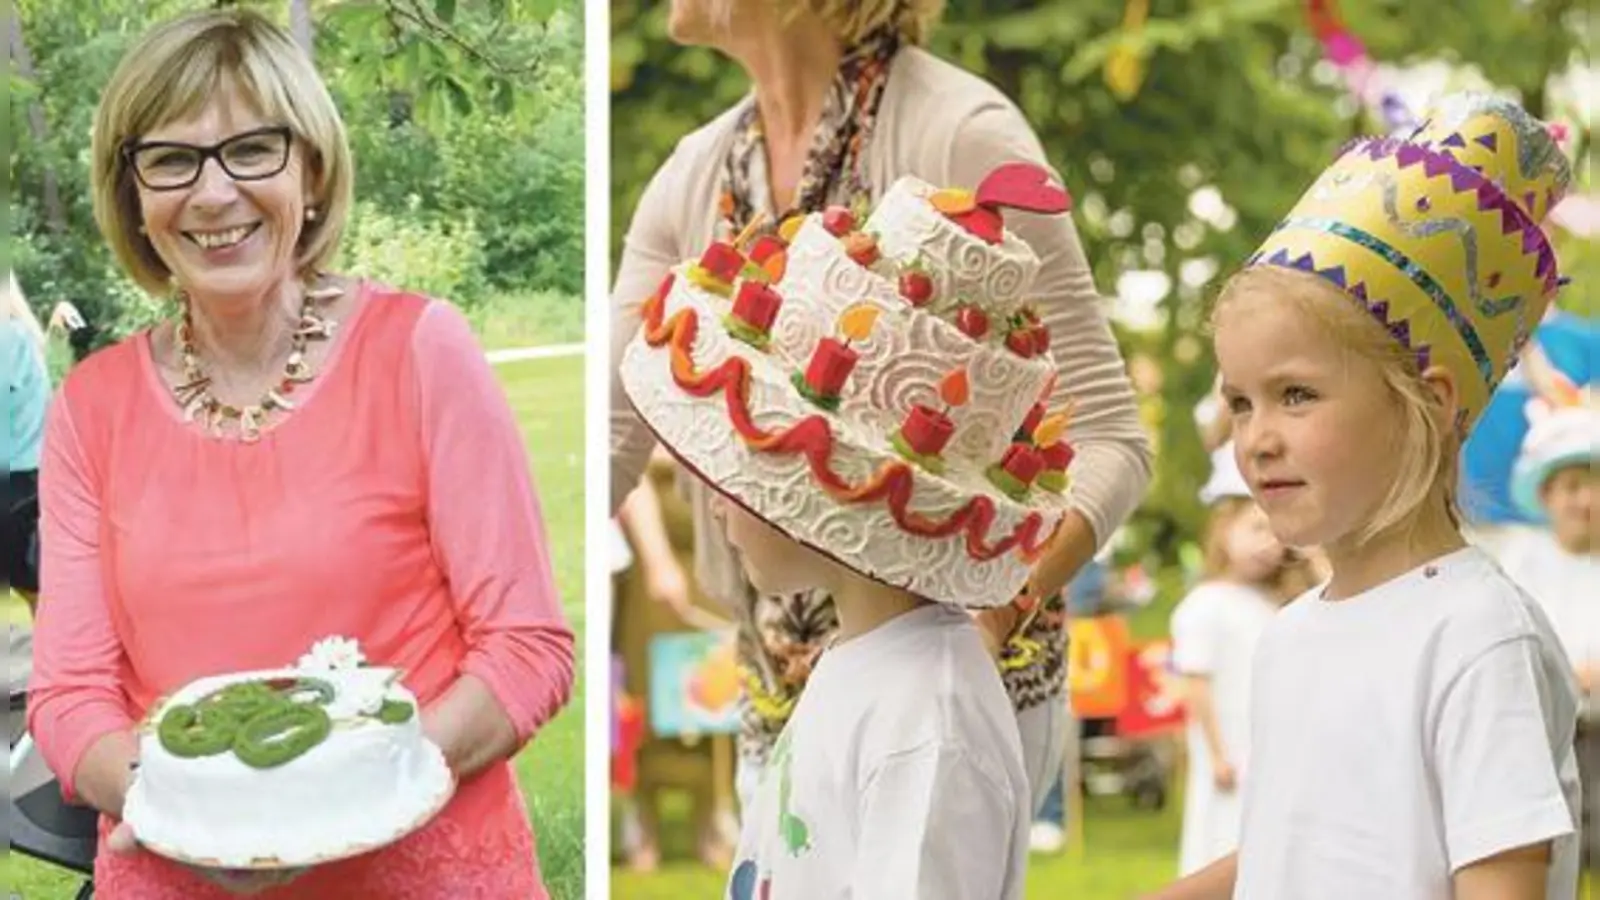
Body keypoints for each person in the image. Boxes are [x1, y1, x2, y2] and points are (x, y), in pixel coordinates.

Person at [25, 10, 574, 897]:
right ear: (132, 193)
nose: (212, 193)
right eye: (171, 158)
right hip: (178, 875)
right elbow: (67, 694)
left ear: (310, 171)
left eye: (252, 148)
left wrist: (348, 801)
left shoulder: (422, 350)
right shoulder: (92, 409)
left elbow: (527, 648)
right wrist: (190, 818)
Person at [610, 0, 1152, 818]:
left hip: (946, 692)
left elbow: (1111, 438)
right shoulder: (696, 173)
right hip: (779, 688)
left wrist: (986, 619)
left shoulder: (961, 133)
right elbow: (606, 436)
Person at [1147, 92, 1580, 899]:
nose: (1257, 437)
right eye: (1240, 402)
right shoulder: (1290, 638)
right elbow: (1300, 851)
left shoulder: (1476, 638)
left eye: (1297, 395)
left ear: (1432, 402)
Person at [1170, 442, 1295, 875]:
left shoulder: (1273, 603)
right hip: (1230, 749)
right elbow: (1196, 683)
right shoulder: (1206, 604)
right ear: (1225, 529)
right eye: (1257, 529)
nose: (1270, 544)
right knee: (1223, 838)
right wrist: (1218, 751)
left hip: (1267, 746)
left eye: (1277, 533)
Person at [1495, 350, 1597, 868]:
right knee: (1553, 856)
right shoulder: (1523, 558)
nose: (1585, 502)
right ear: (1548, 493)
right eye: (1573, 488)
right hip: (1544, 738)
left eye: (1595, 488)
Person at [4, 273, 51, 614]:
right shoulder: (19, 334)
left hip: (16, 481)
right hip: (25, 477)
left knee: (33, 584)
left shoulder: (8, 337)